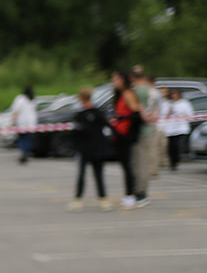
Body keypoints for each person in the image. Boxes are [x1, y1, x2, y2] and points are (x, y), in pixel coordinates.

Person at [67, 86, 113, 212]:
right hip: (98, 148)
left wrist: (75, 146)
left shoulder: (79, 116)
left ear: (81, 99)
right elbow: (108, 126)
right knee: (99, 175)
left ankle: (78, 200)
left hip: (85, 149)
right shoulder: (99, 113)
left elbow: (75, 133)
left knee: (82, 175)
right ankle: (104, 200)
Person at [110, 70, 143, 209]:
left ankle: (131, 195)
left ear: (123, 80)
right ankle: (129, 194)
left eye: (116, 79)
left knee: (128, 166)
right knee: (124, 165)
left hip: (126, 134)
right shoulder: (119, 95)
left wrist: (121, 118)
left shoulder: (128, 94)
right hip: (119, 133)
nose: (114, 82)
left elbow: (137, 116)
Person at [129, 70, 158, 205]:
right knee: (145, 162)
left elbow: (140, 111)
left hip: (139, 131)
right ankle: (143, 191)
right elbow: (156, 113)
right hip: (150, 130)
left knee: (138, 163)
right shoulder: (153, 92)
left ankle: (139, 192)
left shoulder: (138, 92)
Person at [165, 88, 193, 171]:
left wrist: (183, 117)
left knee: (178, 145)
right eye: (173, 94)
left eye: (176, 94)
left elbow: (190, 114)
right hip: (170, 129)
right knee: (171, 146)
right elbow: (164, 115)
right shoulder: (168, 103)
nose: (174, 96)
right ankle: (172, 162)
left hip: (181, 128)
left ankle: (177, 160)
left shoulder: (184, 103)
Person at [9, 85, 37, 164]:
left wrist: (13, 121)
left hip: (22, 122)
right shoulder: (33, 99)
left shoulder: (20, 99)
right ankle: (27, 153)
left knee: (21, 139)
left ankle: (23, 153)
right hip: (31, 123)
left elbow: (16, 111)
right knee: (28, 139)